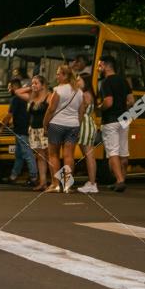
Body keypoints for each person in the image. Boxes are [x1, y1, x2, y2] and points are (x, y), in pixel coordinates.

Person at [42, 65, 84, 193]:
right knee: (69, 156)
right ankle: (67, 185)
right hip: (73, 125)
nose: (57, 76)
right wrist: (78, 125)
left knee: (53, 155)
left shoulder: (58, 90)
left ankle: (55, 184)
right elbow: (81, 112)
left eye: (59, 74)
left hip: (57, 124)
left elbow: (51, 109)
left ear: (65, 76)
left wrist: (45, 123)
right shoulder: (79, 92)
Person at [97, 55, 134, 192]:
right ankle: (121, 179)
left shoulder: (106, 82)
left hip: (110, 120)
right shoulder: (124, 81)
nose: (98, 68)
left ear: (107, 66)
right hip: (124, 119)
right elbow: (131, 101)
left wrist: (99, 107)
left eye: (100, 65)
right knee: (124, 152)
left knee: (113, 152)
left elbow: (108, 102)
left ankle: (119, 180)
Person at [14, 75, 51, 191]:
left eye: (36, 83)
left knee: (50, 156)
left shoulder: (49, 97)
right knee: (40, 157)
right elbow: (17, 92)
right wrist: (31, 88)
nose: (33, 85)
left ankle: (56, 182)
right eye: (32, 83)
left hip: (46, 129)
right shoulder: (31, 97)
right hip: (34, 130)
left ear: (43, 85)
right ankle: (43, 182)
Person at [3, 78, 37, 186]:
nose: (8, 89)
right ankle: (13, 176)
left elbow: (9, 115)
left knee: (27, 153)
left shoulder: (15, 99)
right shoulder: (24, 98)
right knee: (19, 155)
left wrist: (2, 127)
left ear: (14, 87)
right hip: (21, 129)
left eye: (9, 87)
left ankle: (33, 177)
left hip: (21, 130)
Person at [76, 73, 100, 193]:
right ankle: (91, 182)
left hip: (84, 125)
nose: (77, 82)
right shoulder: (90, 94)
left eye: (79, 80)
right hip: (89, 124)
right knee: (89, 155)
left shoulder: (84, 94)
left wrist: (76, 127)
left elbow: (80, 113)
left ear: (85, 81)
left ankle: (92, 183)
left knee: (89, 155)